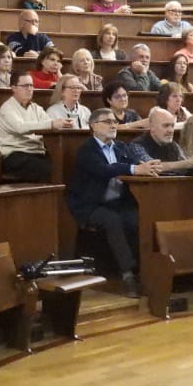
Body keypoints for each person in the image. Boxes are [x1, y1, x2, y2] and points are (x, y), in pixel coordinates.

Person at [67, 109, 162, 297]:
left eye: (114, 122)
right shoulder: (86, 150)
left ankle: (146, 271)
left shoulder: (121, 147)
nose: (113, 125)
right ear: (94, 126)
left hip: (117, 202)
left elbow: (137, 165)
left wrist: (145, 167)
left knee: (137, 218)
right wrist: (133, 169)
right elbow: (104, 170)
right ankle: (127, 276)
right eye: (108, 122)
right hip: (90, 205)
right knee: (112, 220)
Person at [0, 73, 55, 182]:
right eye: (25, 86)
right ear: (14, 88)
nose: (29, 89)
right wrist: (52, 124)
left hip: (38, 153)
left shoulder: (37, 109)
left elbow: (50, 124)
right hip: (16, 155)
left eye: (31, 85)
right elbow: (20, 127)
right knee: (48, 170)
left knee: (64, 164)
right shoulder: (7, 108)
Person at [135, 106, 193, 171]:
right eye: (166, 126)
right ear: (152, 127)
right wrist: (189, 163)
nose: (170, 130)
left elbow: (185, 164)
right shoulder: (137, 145)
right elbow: (152, 167)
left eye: (172, 126)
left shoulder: (173, 146)